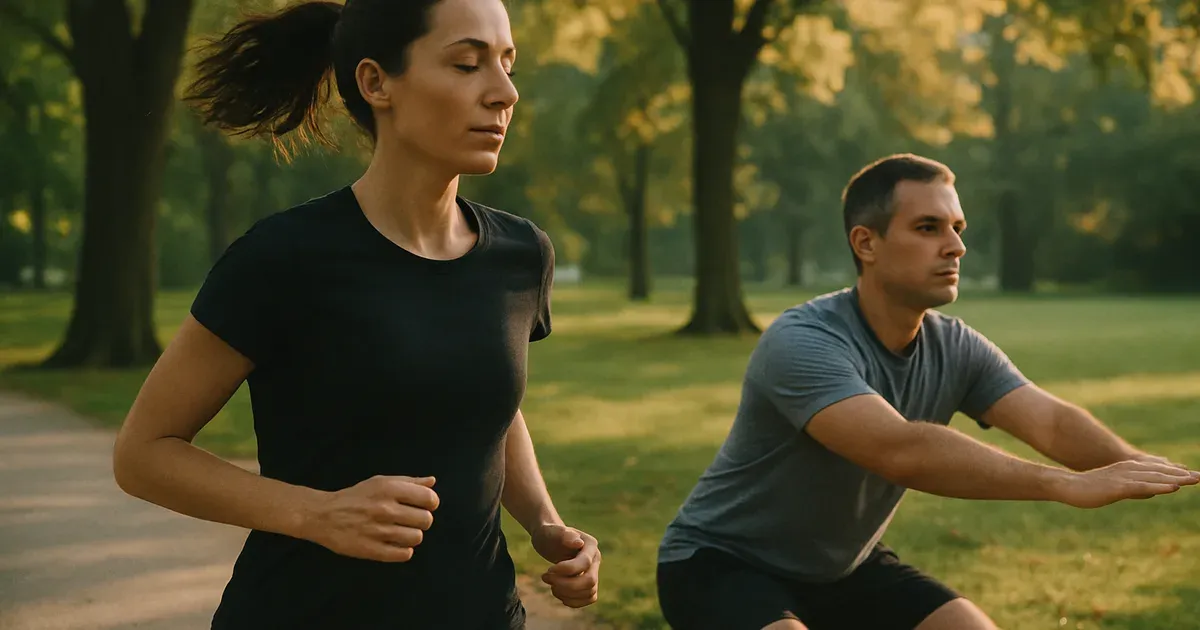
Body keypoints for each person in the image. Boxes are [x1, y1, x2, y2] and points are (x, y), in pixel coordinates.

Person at [110, 1, 600, 628]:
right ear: (376, 83)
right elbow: (143, 453)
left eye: (507, 65)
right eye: (467, 64)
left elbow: (483, 406)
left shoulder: (520, 256)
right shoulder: (284, 258)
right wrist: (318, 514)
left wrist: (546, 523)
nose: (504, 93)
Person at [654, 153, 1199, 630]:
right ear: (866, 243)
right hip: (720, 562)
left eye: (958, 227)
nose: (957, 246)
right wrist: (1063, 485)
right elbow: (902, 450)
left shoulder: (955, 346)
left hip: (844, 568)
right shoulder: (802, 341)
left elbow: (1050, 422)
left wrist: (1150, 470)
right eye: (929, 227)